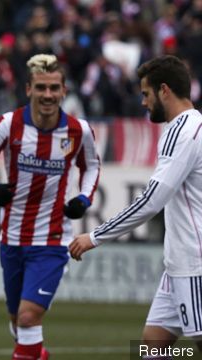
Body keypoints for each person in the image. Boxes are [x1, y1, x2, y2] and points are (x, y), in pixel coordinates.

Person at [0, 53, 100, 360]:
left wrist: (84, 198)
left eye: (54, 88)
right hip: (11, 237)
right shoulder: (9, 124)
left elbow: (91, 166)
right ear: (28, 90)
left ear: (64, 90)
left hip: (52, 240)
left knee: (27, 317)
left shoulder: (79, 130)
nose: (48, 95)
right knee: (18, 323)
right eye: (41, 88)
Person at [70, 55, 202, 356]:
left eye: (146, 94)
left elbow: (151, 200)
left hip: (195, 264)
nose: (143, 102)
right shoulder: (189, 128)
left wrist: (93, 237)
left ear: (164, 90)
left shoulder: (183, 133)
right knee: (151, 347)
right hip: (178, 264)